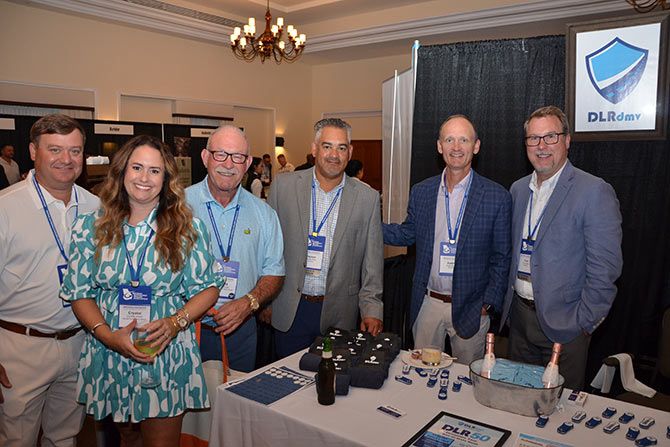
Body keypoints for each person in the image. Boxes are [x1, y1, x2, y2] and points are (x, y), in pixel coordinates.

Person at [60, 135, 220, 446]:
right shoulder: (89, 227)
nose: (144, 178)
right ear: (122, 171)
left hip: (164, 350)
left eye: (154, 170)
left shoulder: (187, 228)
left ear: (166, 178)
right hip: (110, 351)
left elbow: (209, 288)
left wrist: (175, 322)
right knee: (127, 439)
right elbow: (79, 292)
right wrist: (108, 336)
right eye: (137, 167)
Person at [500, 106, 623, 390]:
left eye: (550, 137)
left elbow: (605, 269)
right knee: (517, 400)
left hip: (565, 327)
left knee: (559, 408)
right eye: (533, 138)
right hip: (519, 321)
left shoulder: (593, 191)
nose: (541, 146)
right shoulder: (518, 190)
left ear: (567, 140)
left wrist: (583, 323)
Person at [0, 114, 100, 446]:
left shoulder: (97, 208)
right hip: (20, 348)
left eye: (75, 151)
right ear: (33, 151)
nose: (66, 159)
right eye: (55, 149)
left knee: (65, 438)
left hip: (79, 343)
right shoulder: (5, 208)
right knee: (17, 440)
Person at [383, 115, 511, 365]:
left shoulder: (497, 197)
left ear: (476, 146)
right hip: (427, 304)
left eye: (464, 140)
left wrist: (488, 304)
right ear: (439, 146)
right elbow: (408, 233)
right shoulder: (422, 192)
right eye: (449, 140)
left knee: (467, 379)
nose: (456, 147)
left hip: (472, 308)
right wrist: (367, 225)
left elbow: (502, 257)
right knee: (422, 375)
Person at [268, 118, 383, 358]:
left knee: (333, 380)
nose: (334, 155)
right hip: (290, 309)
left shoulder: (367, 198)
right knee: (287, 379)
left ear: (350, 152)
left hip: (340, 313)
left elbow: (372, 263)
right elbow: (267, 250)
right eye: (327, 146)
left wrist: (372, 309)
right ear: (314, 149)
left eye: (341, 148)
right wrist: (265, 301)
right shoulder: (283, 187)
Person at [186, 125, 284, 373]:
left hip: (241, 333)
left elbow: (274, 272)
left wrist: (249, 302)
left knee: (236, 397)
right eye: (220, 154)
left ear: (248, 163)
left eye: (237, 157)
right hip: (185, 332)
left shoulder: (264, 214)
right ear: (205, 157)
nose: (228, 164)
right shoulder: (177, 206)